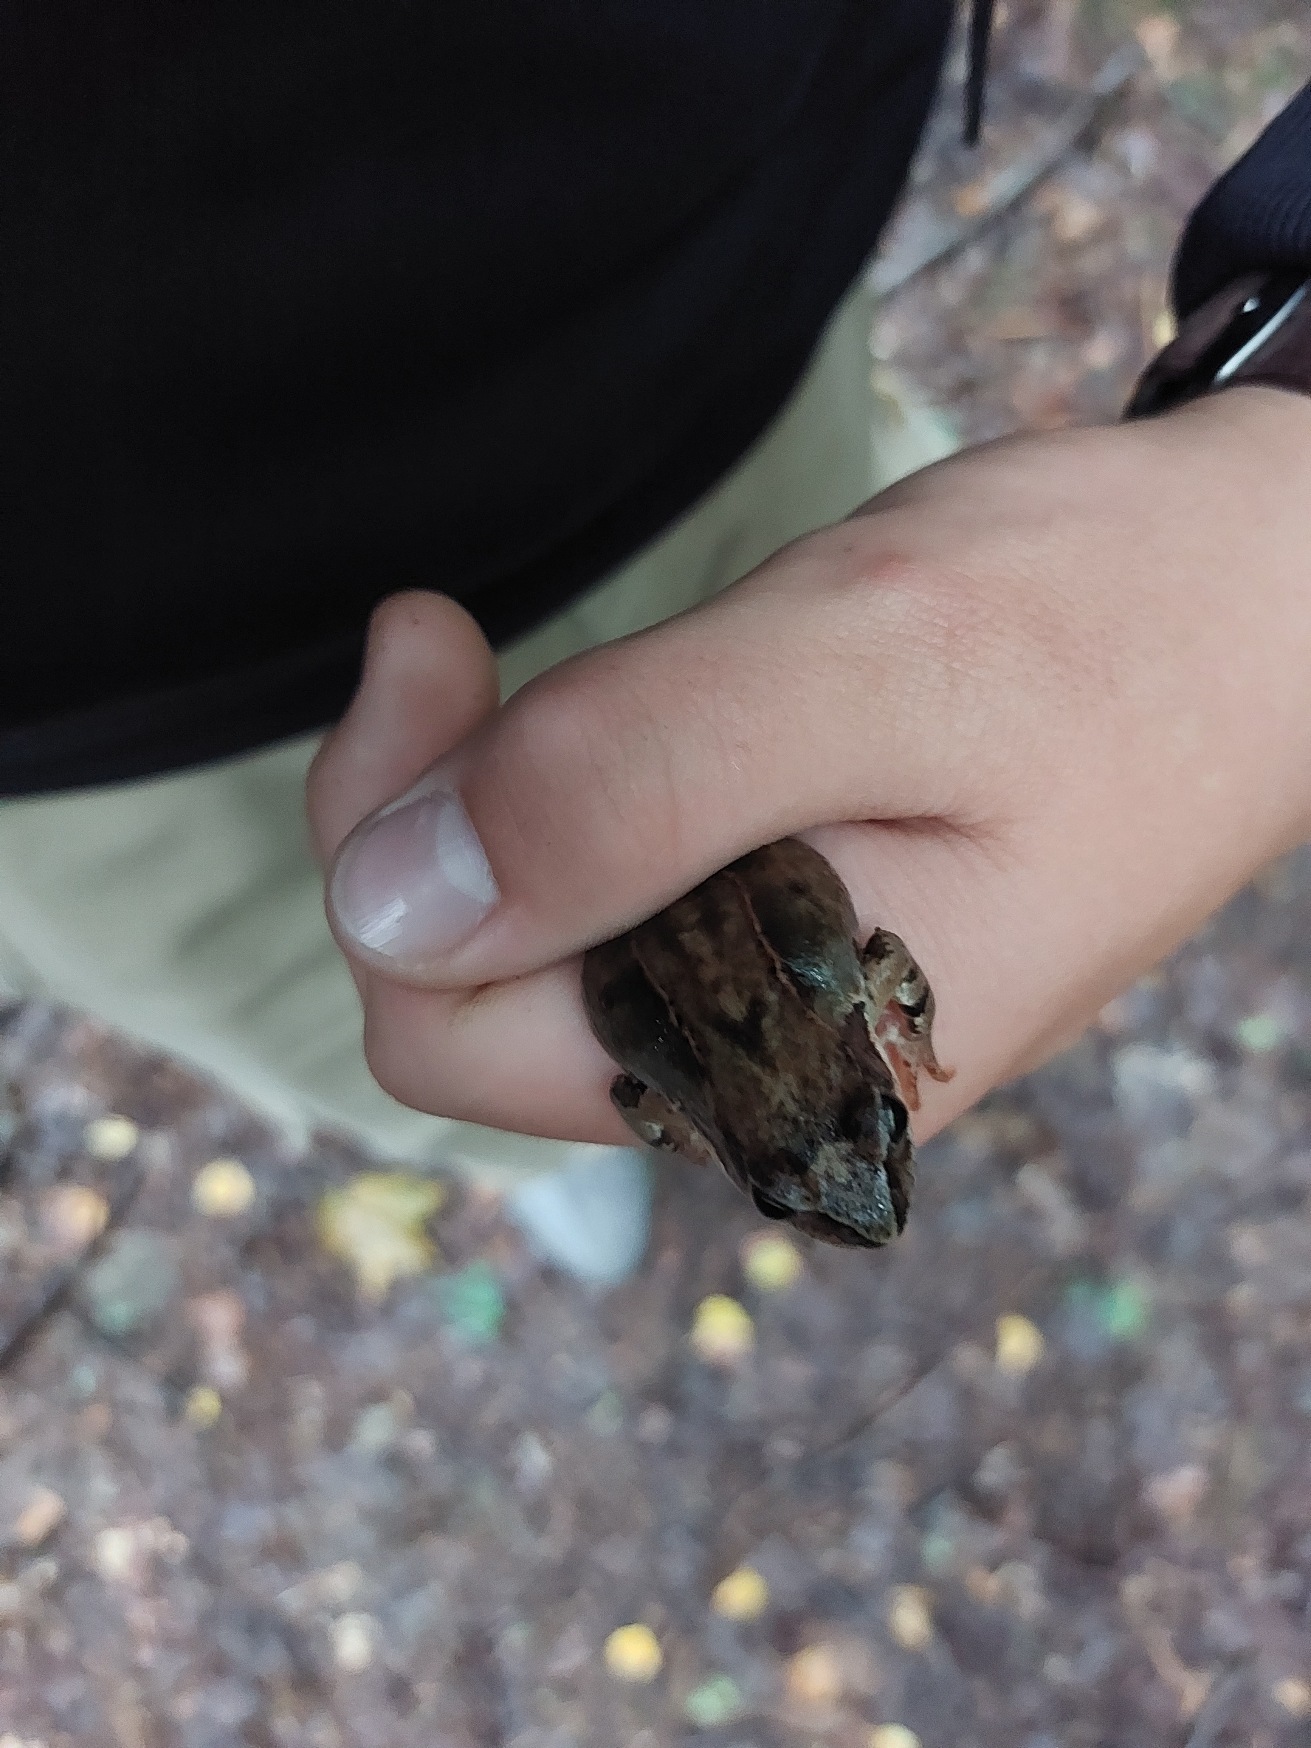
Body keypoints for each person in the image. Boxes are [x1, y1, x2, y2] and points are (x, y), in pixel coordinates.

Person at [3, 3, 1310, 1284]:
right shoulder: (775, 1035)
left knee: (450, 974)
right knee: (338, 997)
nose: (873, 1192)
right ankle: (511, 1149)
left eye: (814, 1168)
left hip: (692, 277)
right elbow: (719, 1048)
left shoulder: (749, 1048)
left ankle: (517, 1134)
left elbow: (669, 1074)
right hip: (96, 686)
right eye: (876, 1127)